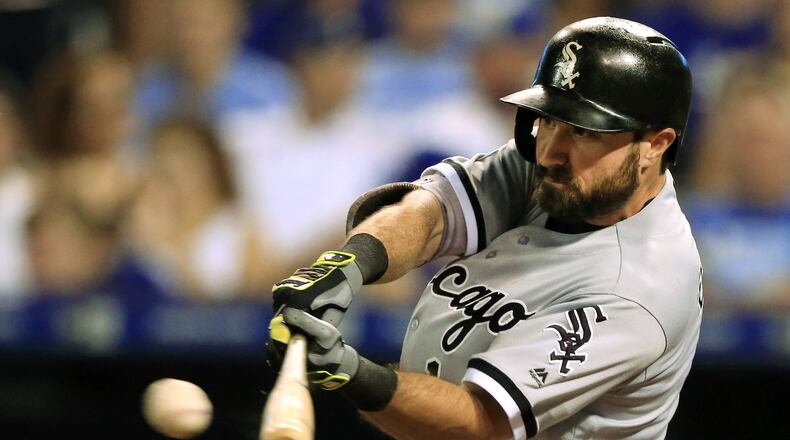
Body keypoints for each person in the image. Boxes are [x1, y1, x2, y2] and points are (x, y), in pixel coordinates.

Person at [268, 17, 702, 439]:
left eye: (584, 132)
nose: (551, 150)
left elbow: (482, 424)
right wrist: (351, 263)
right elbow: (435, 212)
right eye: (549, 120)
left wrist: (349, 372)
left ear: (656, 144)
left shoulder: (640, 288)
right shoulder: (569, 175)